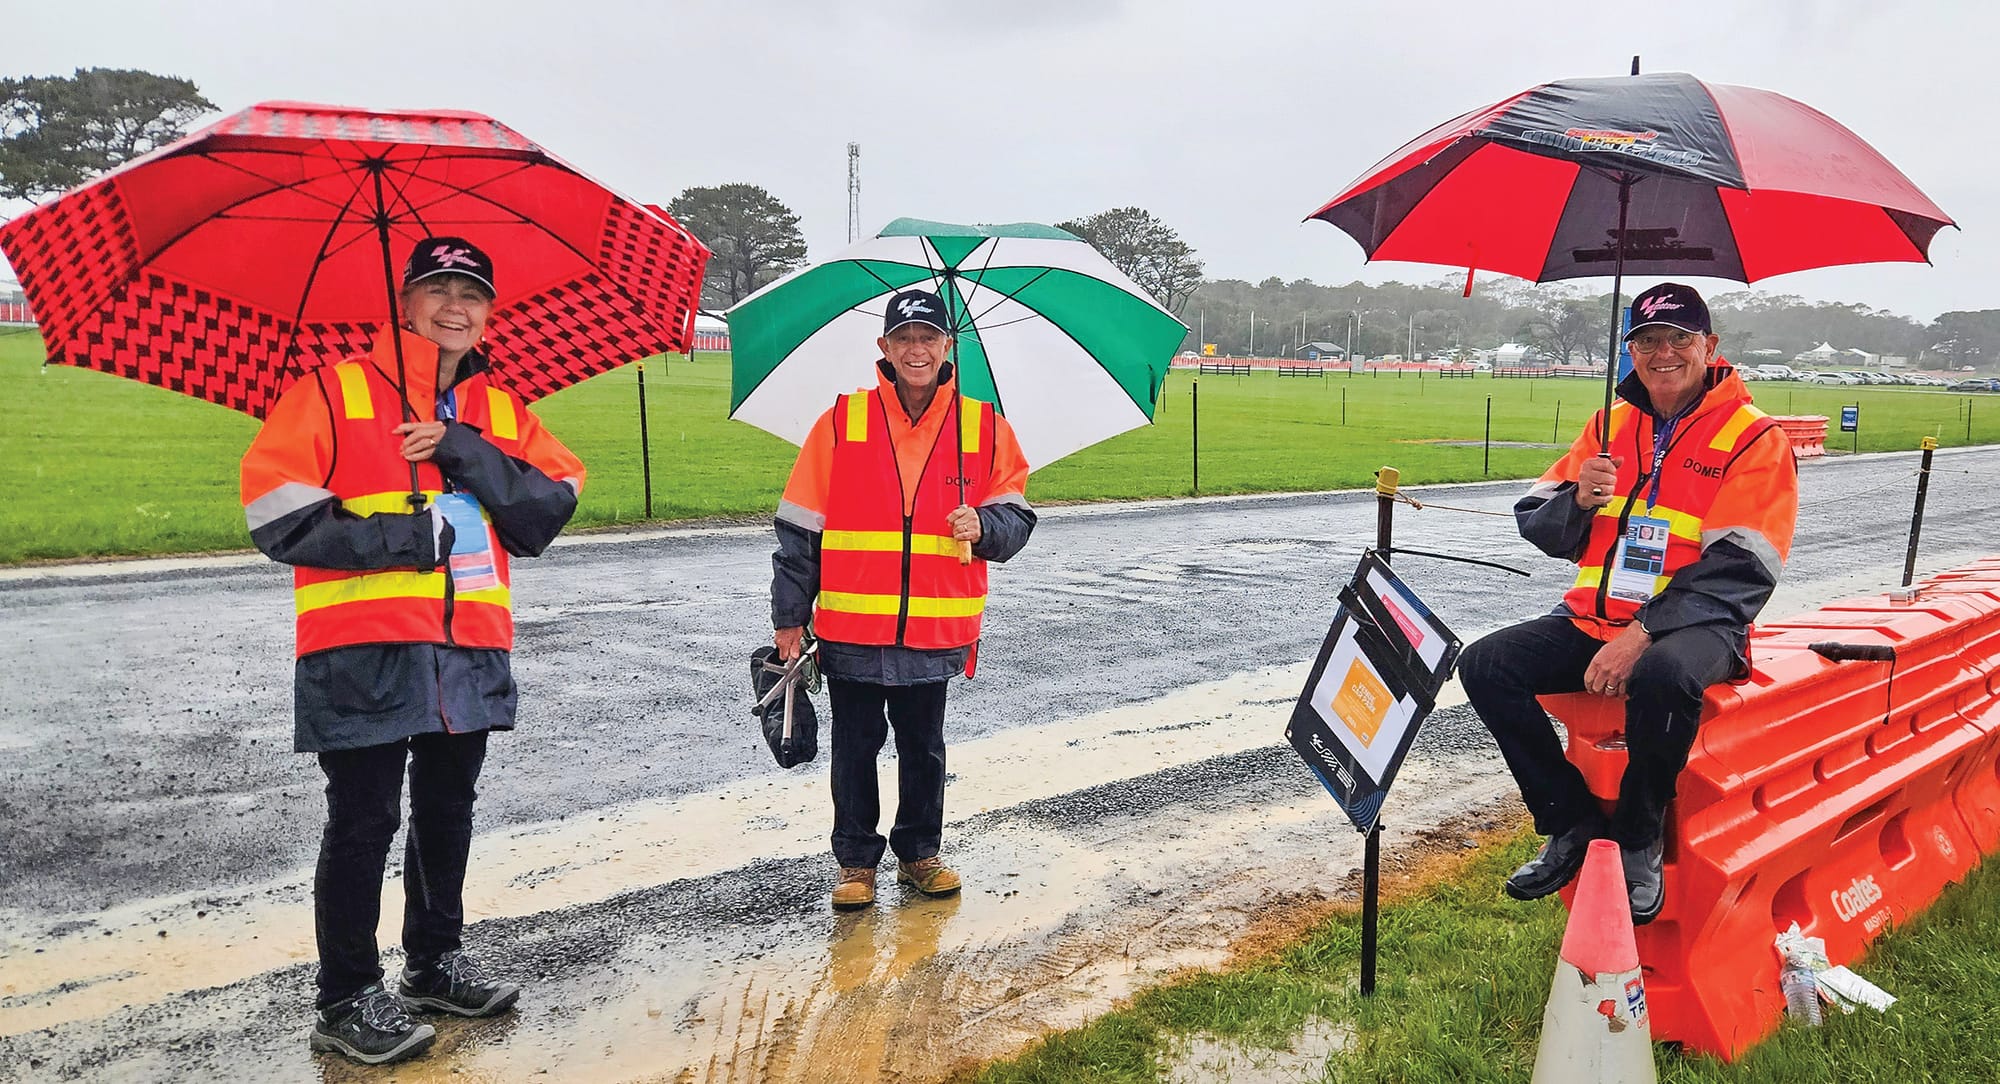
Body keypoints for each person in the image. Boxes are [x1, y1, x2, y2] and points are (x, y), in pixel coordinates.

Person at [240, 237, 585, 1064]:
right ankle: (346, 997)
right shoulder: (333, 391)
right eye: (438, 289)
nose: (455, 307)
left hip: (469, 644)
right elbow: (274, 514)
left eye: (472, 293)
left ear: (490, 311)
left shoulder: (500, 410)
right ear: (405, 303)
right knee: (364, 819)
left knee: (446, 808)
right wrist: (404, 539)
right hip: (362, 644)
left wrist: (461, 448)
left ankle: (433, 963)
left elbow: (548, 507)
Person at [1457, 282, 1798, 925]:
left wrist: (1641, 634)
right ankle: (1570, 820)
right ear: (1630, 351)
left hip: (1696, 624)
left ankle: (1640, 837)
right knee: (1484, 664)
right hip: (1595, 616)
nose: (1663, 353)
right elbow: (1538, 524)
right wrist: (1578, 500)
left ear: (1709, 346)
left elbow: (1744, 569)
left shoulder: (1754, 436)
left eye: (1679, 339)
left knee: (1663, 675)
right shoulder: (1608, 424)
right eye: (1647, 340)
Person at [770, 288, 1035, 911]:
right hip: (851, 627)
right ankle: (855, 862)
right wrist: (789, 617)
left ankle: (919, 853)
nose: (917, 350)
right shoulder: (842, 422)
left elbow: (1018, 517)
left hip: (936, 628)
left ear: (948, 346)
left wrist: (985, 526)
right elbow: (799, 530)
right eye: (904, 339)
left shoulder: (984, 427)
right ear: (884, 349)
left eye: (928, 338)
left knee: (924, 748)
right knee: (854, 748)